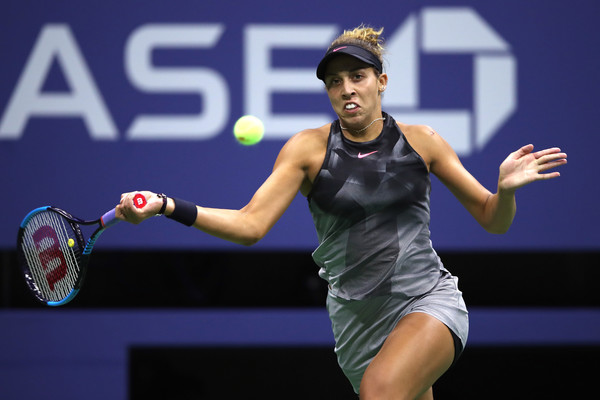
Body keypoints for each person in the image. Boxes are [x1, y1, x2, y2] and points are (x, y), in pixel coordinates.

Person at [116, 25, 567, 399]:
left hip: (427, 300)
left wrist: (505, 191)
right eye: (334, 81)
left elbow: (493, 219)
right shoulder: (307, 150)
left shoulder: (422, 141)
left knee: (380, 392)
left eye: (357, 76)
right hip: (356, 324)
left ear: (381, 81)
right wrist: (166, 206)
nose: (346, 89)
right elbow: (250, 225)